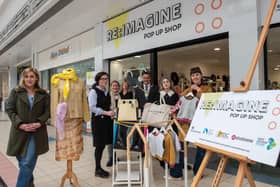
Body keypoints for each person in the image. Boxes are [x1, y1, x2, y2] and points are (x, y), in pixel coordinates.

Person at [5, 67, 50, 187]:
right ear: (23, 78)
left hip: (36, 132)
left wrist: (39, 122)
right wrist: (20, 124)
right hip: (19, 131)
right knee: (21, 160)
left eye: (32, 76)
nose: (29, 79)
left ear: (36, 78)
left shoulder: (43, 94)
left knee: (27, 163)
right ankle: (29, 182)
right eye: (26, 76)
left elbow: (47, 111)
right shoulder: (16, 92)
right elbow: (9, 109)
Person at [180, 67, 213, 176]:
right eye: (193, 75)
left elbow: (209, 102)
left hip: (201, 123)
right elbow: (181, 104)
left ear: (201, 76)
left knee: (201, 149)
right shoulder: (186, 90)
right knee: (182, 146)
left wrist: (199, 91)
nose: (195, 77)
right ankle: (179, 169)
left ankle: (197, 171)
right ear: (191, 77)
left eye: (197, 75)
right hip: (186, 124)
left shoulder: (208, 89)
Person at [88, 72, 115, 178]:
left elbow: (108, 105)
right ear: (98, 80)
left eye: (106, 79)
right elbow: (92, 108)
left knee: (104, 144)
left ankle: (99, 168)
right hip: (98, 122)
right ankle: (97, 169)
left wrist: (112, 110)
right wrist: (106, 112)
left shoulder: (106, 91)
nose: (105, 80)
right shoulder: (93, 92)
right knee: (99, 146)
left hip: (107, 122)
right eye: (103, 79)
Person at [106, 80, 121, 167]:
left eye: (116, 86)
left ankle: (115, 156)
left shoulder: (120, 96)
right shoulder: (108, 96)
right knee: (110, 140)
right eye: (113, 86)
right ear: (111, 87)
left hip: (118, 119)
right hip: (109, 120)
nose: (115, 87)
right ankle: (111, 158)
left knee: (116, 139)